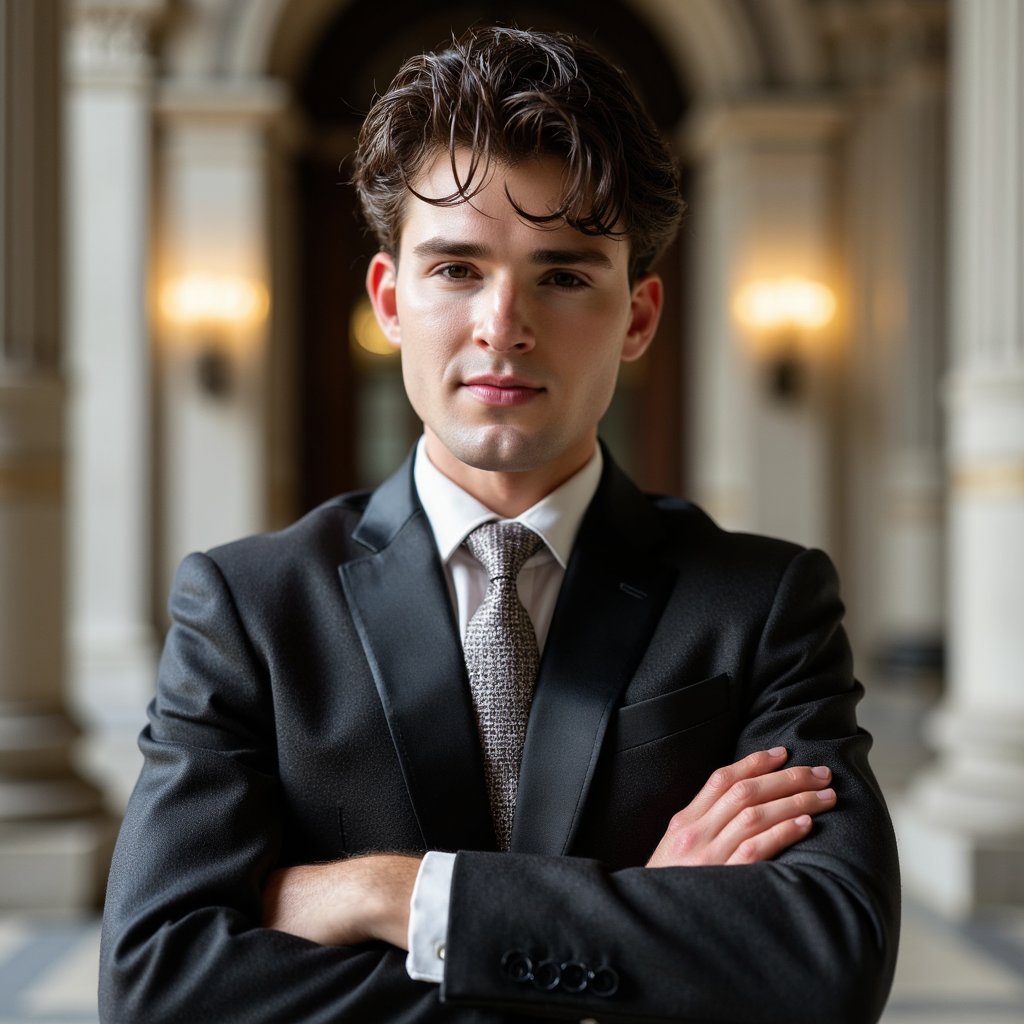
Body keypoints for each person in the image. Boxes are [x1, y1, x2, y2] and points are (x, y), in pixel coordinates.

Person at [100, 25, 900, 1024]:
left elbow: (824, 964)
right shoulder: (249, 608)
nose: (503, 323)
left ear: (638, 316)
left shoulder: (763, 604)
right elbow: (158, 986)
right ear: (390, 298)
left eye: (563, 275)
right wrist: (640, 937)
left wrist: (387, 893)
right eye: (455, 269)